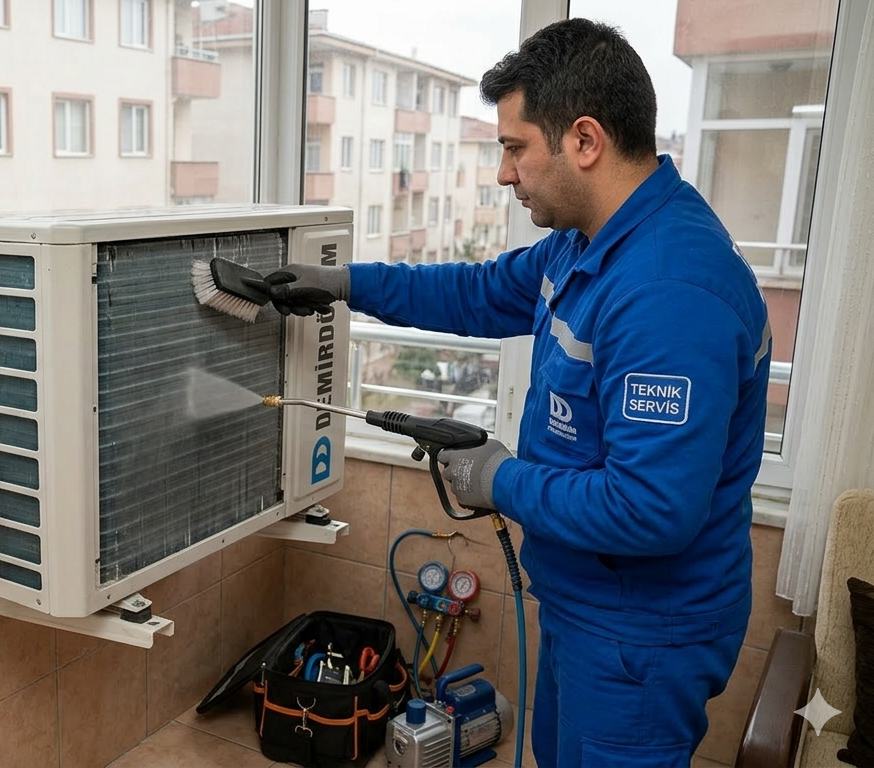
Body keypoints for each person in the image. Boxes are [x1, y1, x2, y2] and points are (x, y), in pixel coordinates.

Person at [255, 18, 770, 768]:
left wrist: (499, 479)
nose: (504, 173)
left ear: (584, 140)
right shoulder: (588, 242)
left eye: (515, 147)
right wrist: (343, 284)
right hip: (587, 603)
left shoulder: (668, 292)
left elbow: (651, 509)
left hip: (638, 637)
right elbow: (477, 291)